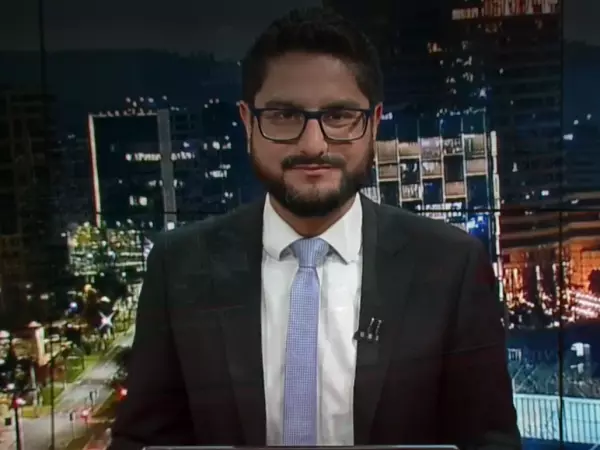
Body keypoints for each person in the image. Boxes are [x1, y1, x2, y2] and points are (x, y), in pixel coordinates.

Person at [109, 7, 521, 450]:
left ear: (373, 123)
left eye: (339, 116)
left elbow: (489, 441)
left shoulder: (451, 265)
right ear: (248, 122)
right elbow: (141, 442)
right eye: (284, 116)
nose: (313, 144)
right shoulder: (178, 267)